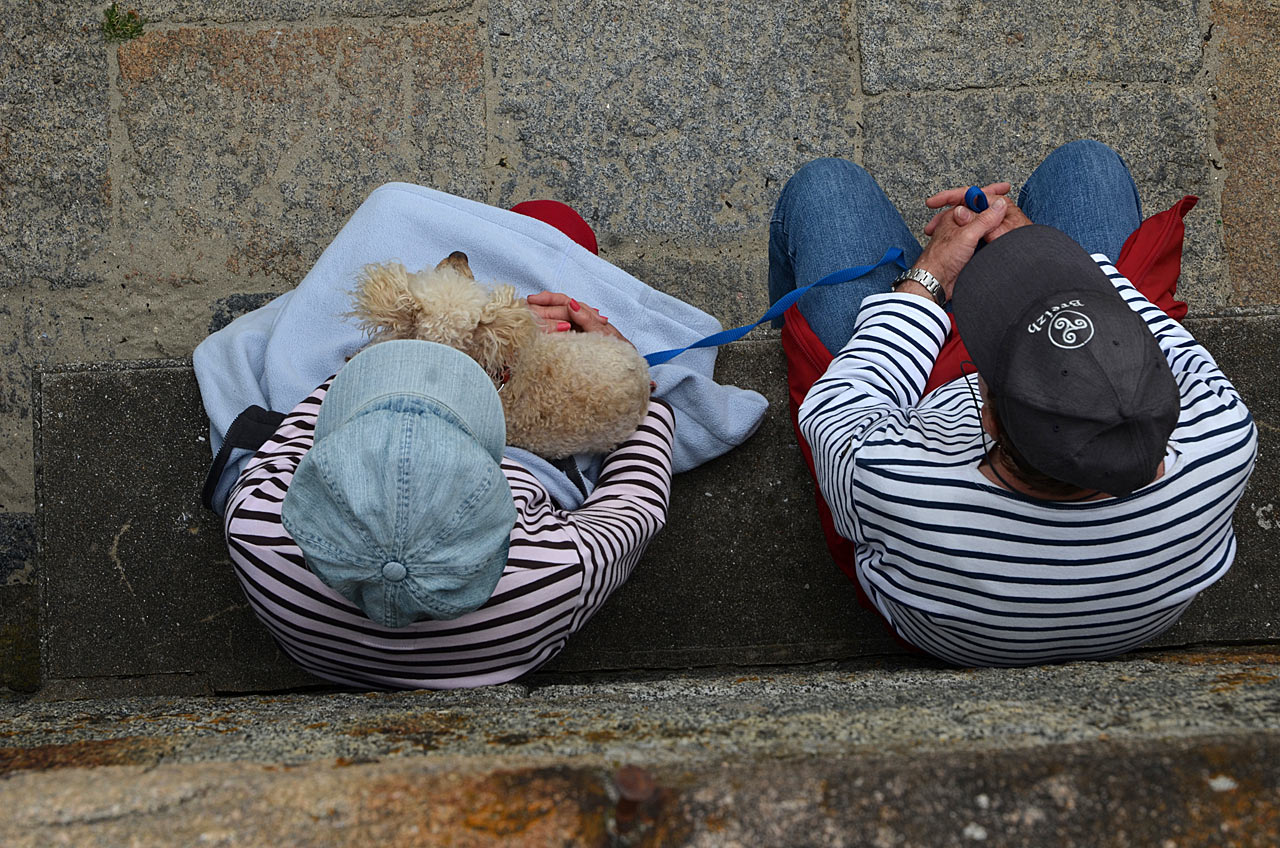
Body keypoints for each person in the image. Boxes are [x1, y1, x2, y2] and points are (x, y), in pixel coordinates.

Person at [770, 140, 1258, 666]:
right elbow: (1162, 334)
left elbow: (840, 402)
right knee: (1087, 165)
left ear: (987, 412)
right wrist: (1047, 259)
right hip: (1116, 623)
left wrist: (927, 277)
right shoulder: (1225, 444)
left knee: (827, 186)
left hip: (937, 630)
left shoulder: (893, 481)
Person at [224, 302, 675, 690]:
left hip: (318, 655)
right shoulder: (555, 575)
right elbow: (636, 501)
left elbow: (337, 390)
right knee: (551, 226)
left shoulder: (258, 528)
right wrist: (629, 373)